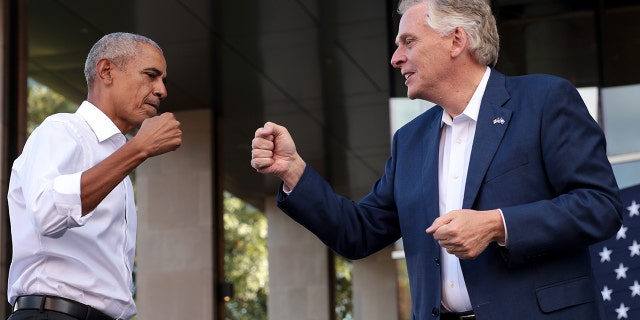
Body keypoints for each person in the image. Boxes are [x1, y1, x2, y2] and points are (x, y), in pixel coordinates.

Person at [250, 0, 623, 319]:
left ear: (456, 40)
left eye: (408, 42)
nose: (396, 58)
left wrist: (497, 225)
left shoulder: (544, 100)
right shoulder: (409, 141)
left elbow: (601, 206)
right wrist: (294, 172)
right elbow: (358, 232)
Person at [7, 32, 182, 320]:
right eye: (151, 75)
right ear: (106, 71)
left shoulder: (117, 161)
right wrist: (139, 148)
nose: (161, 90)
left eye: (163, 80)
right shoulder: (63, 129)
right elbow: (47, 212)